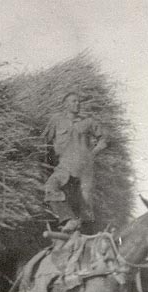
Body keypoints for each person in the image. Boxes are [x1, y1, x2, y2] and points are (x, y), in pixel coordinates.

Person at [42, 92, 108, 233]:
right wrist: (48, 164)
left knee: (86, 207)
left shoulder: (88, 122)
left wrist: (93, 153)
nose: (77, 104)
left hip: (85, 169)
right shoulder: (56, 121)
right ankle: (68, 219)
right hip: (64, 167)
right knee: (50, 187)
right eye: (73, 101)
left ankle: (83, 232)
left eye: (78, 101)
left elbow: (104, 138)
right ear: (65, 104)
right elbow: (45, 143)